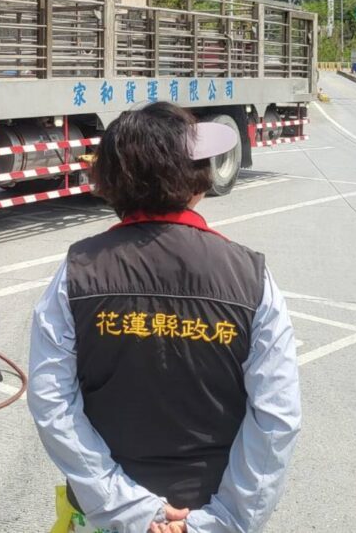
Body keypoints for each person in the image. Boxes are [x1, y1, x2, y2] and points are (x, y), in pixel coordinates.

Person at [28, 102, 301, 533]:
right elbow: (277, 415)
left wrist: (128, 508)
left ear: (112, 184)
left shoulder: (76, 273)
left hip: (100, 517)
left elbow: (52, 403)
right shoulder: (251, 277)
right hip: (207, 505)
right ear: (197, 182)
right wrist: (225, 519)